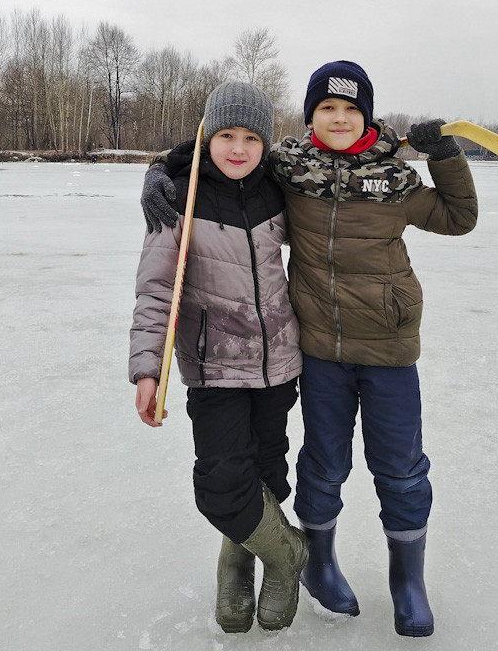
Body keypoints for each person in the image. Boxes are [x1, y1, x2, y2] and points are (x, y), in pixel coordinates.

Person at [140, 61, 478, 638]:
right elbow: (223, 146)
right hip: (318, 347)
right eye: (327, 108)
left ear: (367, 115)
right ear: (310, 116)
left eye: (351, 109)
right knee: (322, 467)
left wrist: (444, 155)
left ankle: (407, 580)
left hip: (387, 347)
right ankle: (313, 561)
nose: (339, 118)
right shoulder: (291, 172)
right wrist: (159, 171)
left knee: (399, 469)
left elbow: (458, 217)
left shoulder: (391, 181)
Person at [130, 81, 308, 634]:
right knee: (221, 483)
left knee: (268, 471)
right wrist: (146, 369)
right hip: (213, 368)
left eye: (251, 137)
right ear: (207, 136)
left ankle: (238, 563)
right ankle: (287, 555)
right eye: (226, 135)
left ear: (266, 143)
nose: (237, 148)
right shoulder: (177, 198)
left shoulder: (281, 190)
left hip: (279, 362)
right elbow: (158, 290)